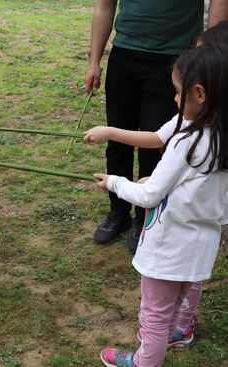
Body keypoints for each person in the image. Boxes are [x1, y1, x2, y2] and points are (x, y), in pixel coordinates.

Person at [84, 21, 228, 353]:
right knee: (183, 295)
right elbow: (200, 186)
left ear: (200, 94)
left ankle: (145, 361)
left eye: (178, 92)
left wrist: (116, 183)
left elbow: (150, 196)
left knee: (154, 311)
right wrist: (111, 132)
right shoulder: (216, 132)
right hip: (201, 242)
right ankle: (181, 331)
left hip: (171, 244)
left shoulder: (187, 139)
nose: (174, 98)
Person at [85, 0, 228, 253]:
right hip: (125, 54)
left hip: (174, 56)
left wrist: (211, 63)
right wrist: (94, 61)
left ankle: (145, 216)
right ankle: (118, 211)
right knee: (119, 138)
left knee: (155, 148)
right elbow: (104, 6)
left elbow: (157, 138)